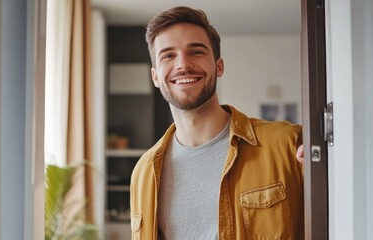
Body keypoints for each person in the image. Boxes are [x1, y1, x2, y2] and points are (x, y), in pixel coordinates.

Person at [130, 6, 304, 240]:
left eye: (196, 52)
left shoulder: (287, 144)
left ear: (219, 66)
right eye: (168, 55)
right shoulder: (143, 172)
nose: (183, 64)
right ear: (155, 77)